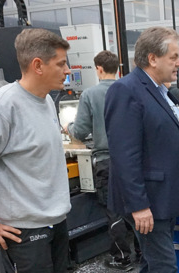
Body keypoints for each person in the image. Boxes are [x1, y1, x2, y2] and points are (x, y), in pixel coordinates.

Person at [104, 26, 179, 273]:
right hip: (149, 201)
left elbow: (164, 137)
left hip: (162, 199)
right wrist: (139, 206)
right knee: (164, 266)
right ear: (153, 58)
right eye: (174, 57)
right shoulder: (126, 90)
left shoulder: (161, 91)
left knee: (152, 263)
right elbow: (124, 155)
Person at [0, 28, 72, 272]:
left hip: (57, 223)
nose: (68, 71)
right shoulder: (1, 107)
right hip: (24, 233)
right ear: (38, 65)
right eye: (61, 64)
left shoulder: (45, 101)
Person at [64, 50, 135, 270]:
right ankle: (143, 253)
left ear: (99, 69)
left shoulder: (90, 94)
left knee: (113, 210)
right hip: (132, 159)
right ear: (118, 69)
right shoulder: (130, 90)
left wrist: (68, 127)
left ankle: (121, 258)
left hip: (106, 160)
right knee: (136, 207)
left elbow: (82, 130)